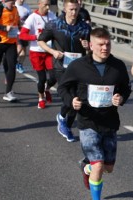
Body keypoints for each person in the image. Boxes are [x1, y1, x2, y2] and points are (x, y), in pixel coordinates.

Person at [57, 27, 131, 200]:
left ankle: (86, 167)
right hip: (87, 122)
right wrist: (71, 100)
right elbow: (63, 87)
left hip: (109, 122)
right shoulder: (78, 66)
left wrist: (121, 97)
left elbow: (126, 87)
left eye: (107, 43)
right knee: (99, 165)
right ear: (91, 45)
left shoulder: (117, 66)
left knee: (108, 168)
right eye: (100, 44)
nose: (105, 47)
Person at [37, 0, 90, 142]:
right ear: (65, 9)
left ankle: (65, 124)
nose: (74, 13)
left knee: (79, 99)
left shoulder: (84, 27)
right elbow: (40, 40)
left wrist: (87, 46)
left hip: (79, 67)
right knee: (71, 97)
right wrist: (53, 51)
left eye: (76, 10)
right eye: (71, 9)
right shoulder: (55, 24)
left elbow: (92, 47)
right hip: (61, 67)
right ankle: (62, 119)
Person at [19, 0, 56, 109]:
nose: (48, 7)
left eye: (49, 5)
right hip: (36, 51)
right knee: (42, 77)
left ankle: (47, 89)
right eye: (45, 5)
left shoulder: (52, 15)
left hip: (49, 51)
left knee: (54, 76)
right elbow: (22, 35)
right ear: (39, 4)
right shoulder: (32, 17)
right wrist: (36, 37)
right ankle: (41, 98)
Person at [0, 0, 21, 102]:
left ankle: (8, 92)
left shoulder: (15, 9)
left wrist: (20, 26)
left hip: (11, 43)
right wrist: (3, 27)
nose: (13, 4)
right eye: (11, 2)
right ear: (5, 1)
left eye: (14, 1)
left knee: (12, 66)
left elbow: (17, 21)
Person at [14, 0, 31, 73]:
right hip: (16, 32)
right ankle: (11, 62)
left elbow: (30, 19)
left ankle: (19, 64)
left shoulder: (27, 7)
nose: (22, 0)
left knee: (23, 53)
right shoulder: (14, 6)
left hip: (25, 32)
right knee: (19, 48)